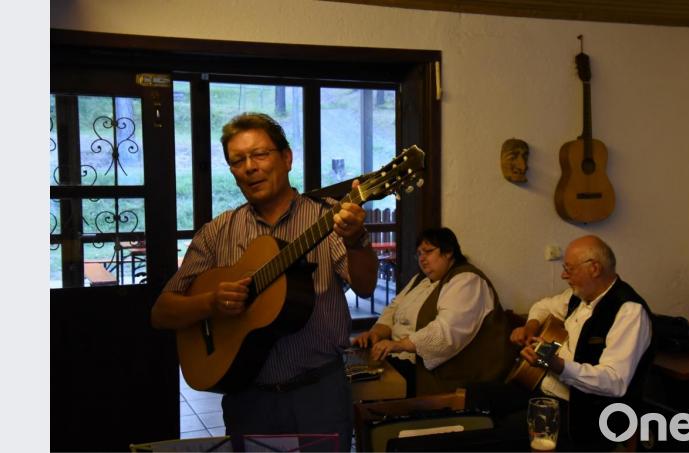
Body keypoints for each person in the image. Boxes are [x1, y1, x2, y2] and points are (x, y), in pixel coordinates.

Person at [151, 112, 378, 452]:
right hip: (248, 399)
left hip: (319, 395)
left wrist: (356, 241)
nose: (249, 167)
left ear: (286, 158)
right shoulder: (217, 233)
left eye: (259, 154)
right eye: (237, 160)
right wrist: (210, 303)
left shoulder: (327, 218)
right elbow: (162, 312)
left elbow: (365, 286)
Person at [507, 235, 654, 451]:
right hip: (542, 388)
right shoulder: (577, 296)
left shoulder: (628, 311)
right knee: (482, 401)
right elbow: (543, 306)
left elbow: (614, 382)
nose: (563, 275)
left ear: (594, 268)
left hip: (587, 417)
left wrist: (557, 365)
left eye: (569, 268)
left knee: (499, 436)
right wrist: (530, 327)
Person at [352, 227, 515, 397]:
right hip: (403, 360)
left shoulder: (467, 280)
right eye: (419, 254)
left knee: (364, 389)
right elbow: (393, 309)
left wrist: (398, 345)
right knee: (356, 373)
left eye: (428, 252)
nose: (422, 259)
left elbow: (446, 332)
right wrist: (376, 334)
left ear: (448, 252)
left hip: (442, 376)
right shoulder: (420, 279)